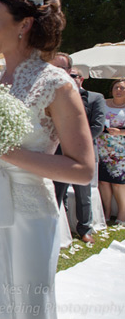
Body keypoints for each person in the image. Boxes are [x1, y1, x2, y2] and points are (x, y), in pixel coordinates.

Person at [0, 0, 94, 319]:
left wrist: (0, 150)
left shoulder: (56, 84)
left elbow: (84, 170)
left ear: (25, 25)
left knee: (26, 302)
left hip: (29, 214)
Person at [50, 54, 106, 243]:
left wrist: (74, 143)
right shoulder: (51, 96)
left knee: (84, 195)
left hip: (83, 154)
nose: (70, 78)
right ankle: (57, 227)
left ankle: (85, 229)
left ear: (79, 78)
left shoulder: (95, 98)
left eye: (74, 75)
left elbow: (97, 127)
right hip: (57, 153)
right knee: (57, 192)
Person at [96, 78, 125, 224]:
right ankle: (106, 213)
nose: (119, 90)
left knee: (119, 184)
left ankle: (121, 214)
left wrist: (120, 132)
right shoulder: (103, 103)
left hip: (121, 152)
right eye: (116, 87)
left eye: (122, 88)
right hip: (103, 148)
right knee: (104, 182)